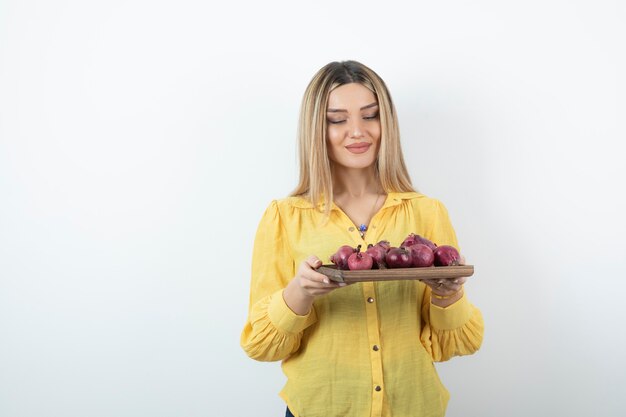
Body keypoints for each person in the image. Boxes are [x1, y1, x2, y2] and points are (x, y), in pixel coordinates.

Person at [240, 60, 484, 417]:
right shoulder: (284, 217)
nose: (357, 132)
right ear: (316, 130)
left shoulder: (427, 213)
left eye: (370, 116)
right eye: (337, 120)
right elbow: (261, 345)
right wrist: (299, 293)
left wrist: (449, 296)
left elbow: (454, 344)